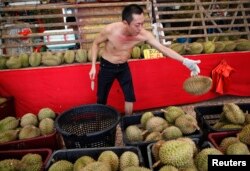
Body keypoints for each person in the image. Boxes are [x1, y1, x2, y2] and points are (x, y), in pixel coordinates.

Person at [89, 4, 201, 115]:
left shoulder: (142, 34)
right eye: (137, 25)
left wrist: (185, 61)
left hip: (123, 66)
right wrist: (93, 66)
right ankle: (100, 122)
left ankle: (128, 120)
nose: (141, 28)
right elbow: (95, 44)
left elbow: (163, 48)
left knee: (130, 96)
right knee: (102, 98)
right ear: (125, 23)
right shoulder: (110, 31)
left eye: (142, 24)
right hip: (107, 66)